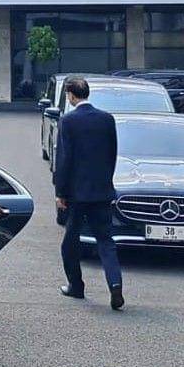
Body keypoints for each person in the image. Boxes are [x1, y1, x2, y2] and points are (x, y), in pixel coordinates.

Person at [54, 76, 125, 310]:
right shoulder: (107, 119)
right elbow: (112, 153)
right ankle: (115, 284)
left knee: (70, 242)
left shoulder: (68, 121)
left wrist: (61, 192)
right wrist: (106, 181)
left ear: (71, 95)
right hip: (102, 191)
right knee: (105, 241)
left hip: (77, 194)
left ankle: (76, 286)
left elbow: (64, 159)